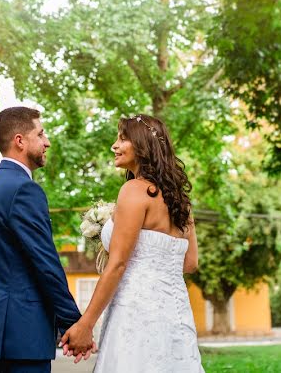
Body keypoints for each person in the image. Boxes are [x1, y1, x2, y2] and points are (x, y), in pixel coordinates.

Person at [61, 114, 203, 372]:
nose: (114, 145)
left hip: (136, 313)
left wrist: (86, 324)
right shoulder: (181, 202)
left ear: (143, 146)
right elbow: (190, 263)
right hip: (175, 315)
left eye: (122, 139)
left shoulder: (135, 190)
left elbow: (117, 264)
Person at [0, 106, 96, 373]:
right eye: (41, 134)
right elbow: (45, 264)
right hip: (24, 333)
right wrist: (75, 324)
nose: (47, 142)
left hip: (0, 331)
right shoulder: (24, 190)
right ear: (20, 140)